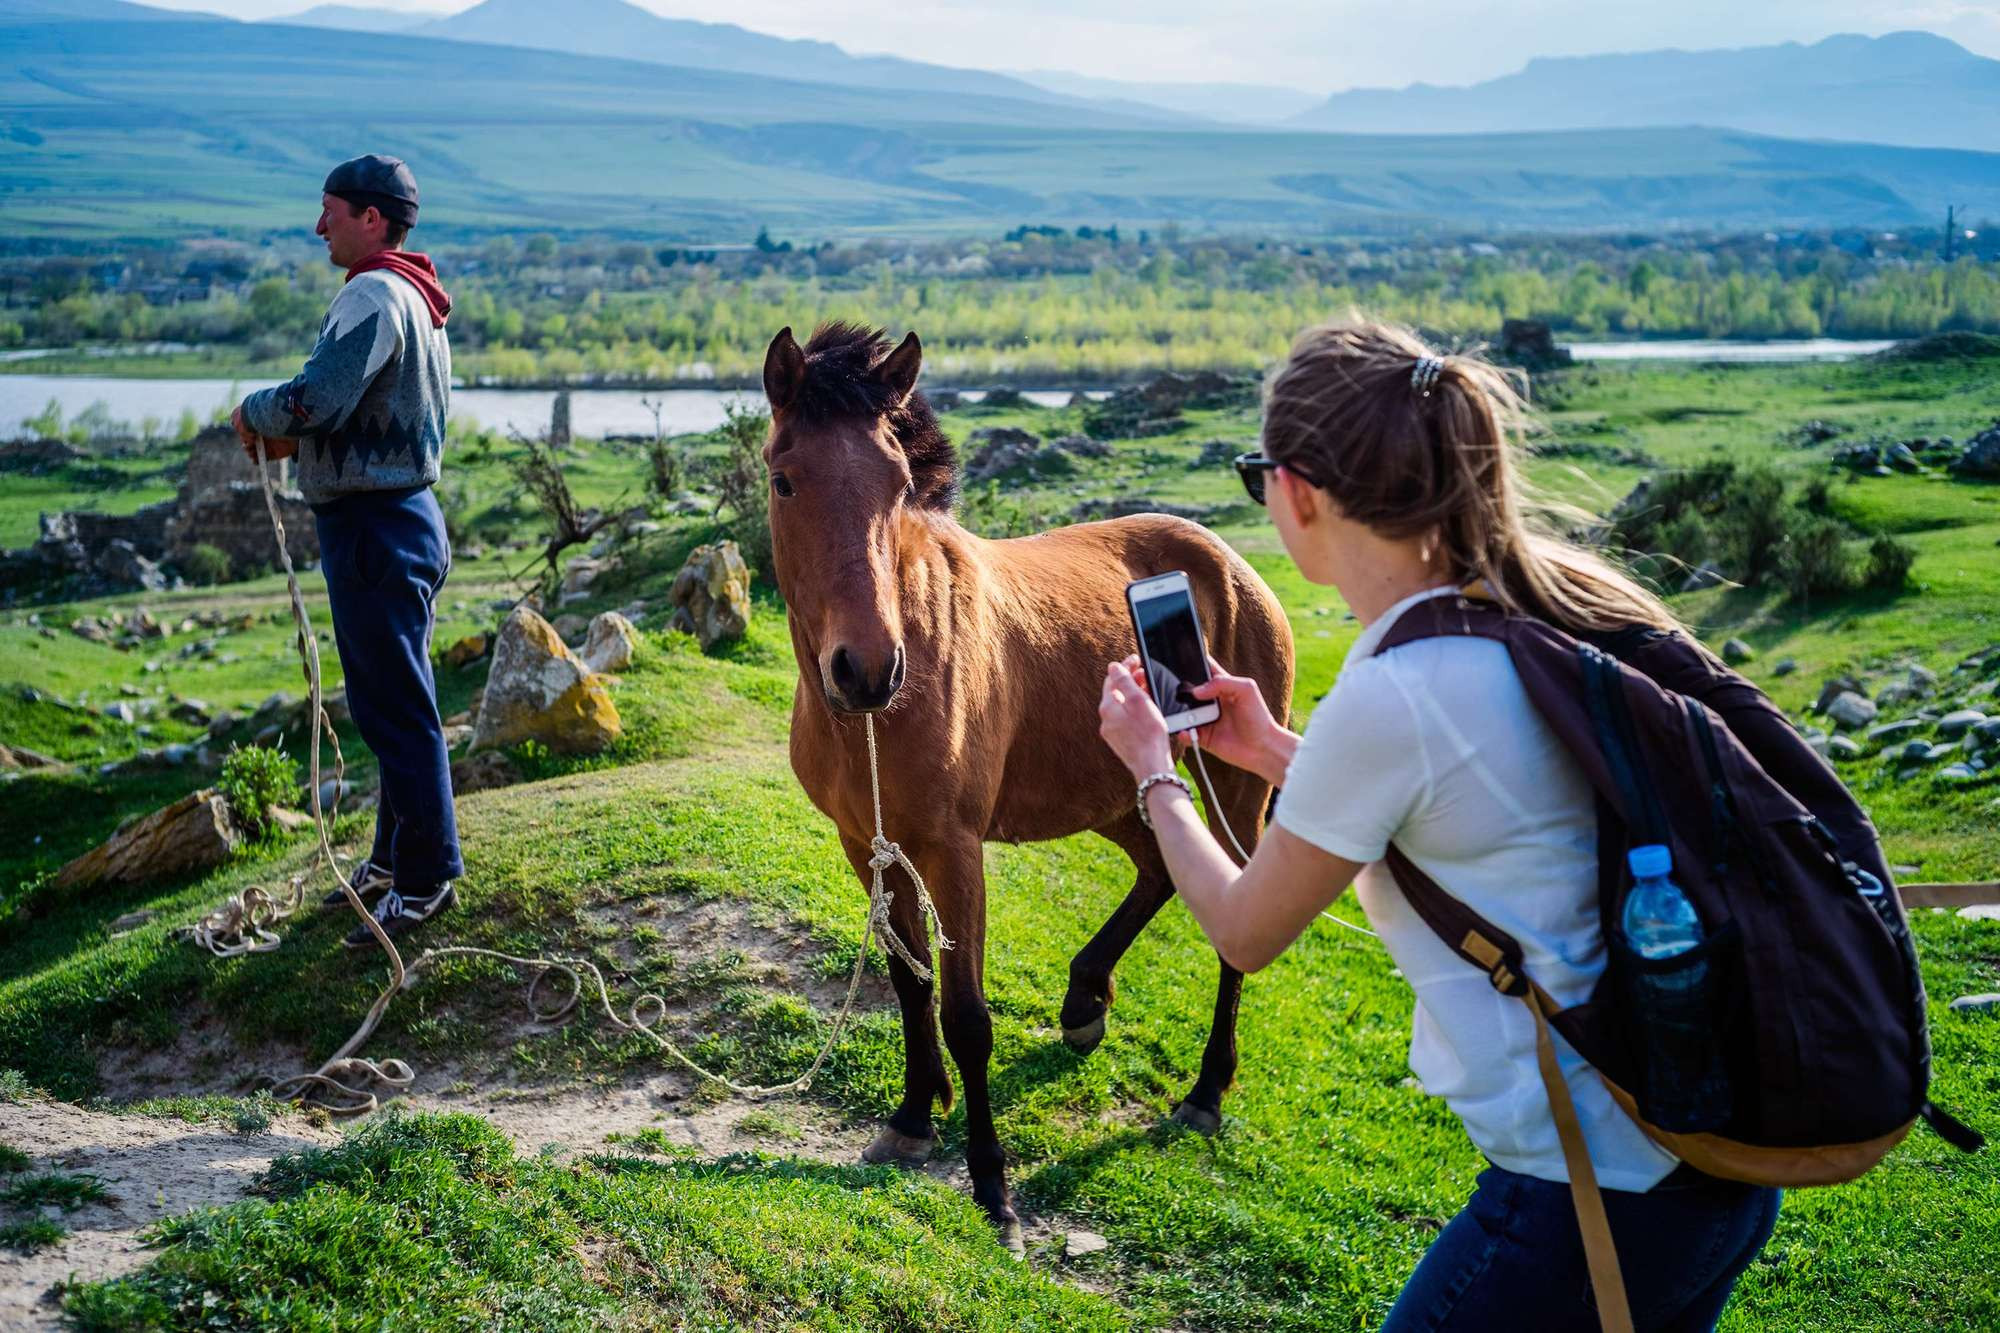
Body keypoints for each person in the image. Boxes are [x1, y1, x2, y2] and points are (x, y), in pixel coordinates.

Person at [1096, 320, 1780, 1331]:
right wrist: (1280, 752)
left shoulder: (1396, 692)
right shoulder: (1530, 602)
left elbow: (1243, 927)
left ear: (1297, 490)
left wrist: (1154, 770)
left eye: (1258, 475)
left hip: (1587, 1195)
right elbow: (1480, 803)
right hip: (1709, 1160)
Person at [231, 154, 461, 950]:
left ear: (370, 217)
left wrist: (255, 409)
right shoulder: (419, 294)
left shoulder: (370, 292)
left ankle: (427, 880)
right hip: (407, 517)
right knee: (396, 699)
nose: (317, 225)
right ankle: (393, 861)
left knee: (395, 710)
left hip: (372, 529)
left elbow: (314, 399)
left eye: (328, 209)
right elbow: (362, 412)